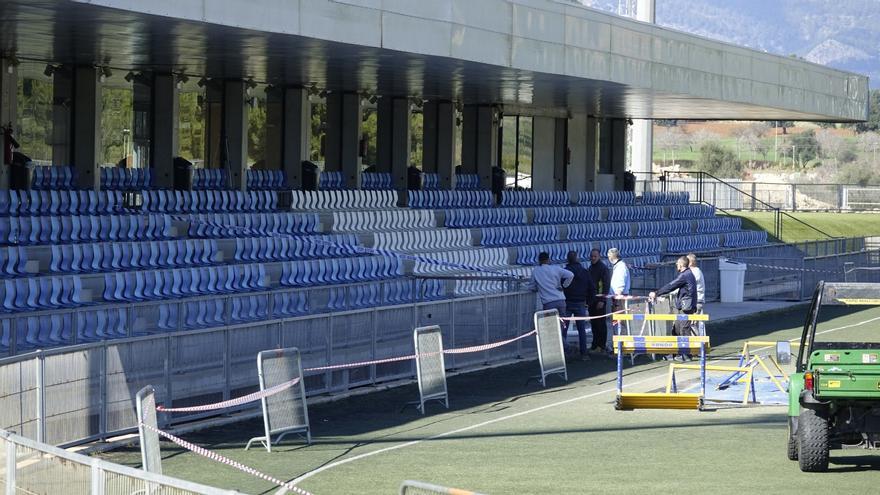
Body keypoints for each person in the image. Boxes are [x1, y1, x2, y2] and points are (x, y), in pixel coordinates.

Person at [649, 256, 698, 337]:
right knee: (676, 330)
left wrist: (656, 293)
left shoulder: (685, 275)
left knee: (683, 330)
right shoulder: (687, 274)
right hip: (685, 306)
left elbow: (671, 286)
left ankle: (687, 349)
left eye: (677, 263)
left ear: (681, 265)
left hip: (686, 307)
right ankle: (680, 348)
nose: (676, 264)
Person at [562, 251, 595, 361]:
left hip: (567, 302)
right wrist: (589, 302)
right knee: (581, 329)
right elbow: (592, 287)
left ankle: (564, 352)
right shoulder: (585, 272)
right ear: (577, 259)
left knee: (563, 329)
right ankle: (584, 353)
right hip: (580, 302)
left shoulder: (564, 271)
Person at [528, 252, 574, 317]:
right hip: (560, 300)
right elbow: (571, 275)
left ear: (539, 260)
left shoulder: (536, 271)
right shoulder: (556, 268)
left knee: (550, 324)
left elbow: (531, 287)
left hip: (548, 302)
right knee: (563, 323)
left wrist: (538, 288)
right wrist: (564, 285)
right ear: (548, 259)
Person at [587, 248, 611, 353]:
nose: (593, 258)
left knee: (600, 323)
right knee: (594, 323)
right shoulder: (591, 268)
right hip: (592, 300)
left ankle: (601, 345)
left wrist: (602, 300)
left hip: (599, 300)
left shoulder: (603, 268)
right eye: (591, 256)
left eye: (595, 256)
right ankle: (595, 344)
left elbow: (606, 285)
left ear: (599, 256)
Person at [607, 247, 631, 341]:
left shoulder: (621, 268)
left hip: (619, 299)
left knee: (620, 322)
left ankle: (622, 345)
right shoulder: (619, 266)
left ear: (611, 256)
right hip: (617, 299)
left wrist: (616, 302)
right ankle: (619, 343)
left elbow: (620, 286)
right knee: (617, 321)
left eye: (609, 256)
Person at [687, 253, 706, 336]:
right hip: (695, 301)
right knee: (694, 323)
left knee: (692, 323)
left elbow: (687, 285)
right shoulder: (694, 272)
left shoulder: (695, 272)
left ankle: (698, 343)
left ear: (690, 262)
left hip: (696, 301)